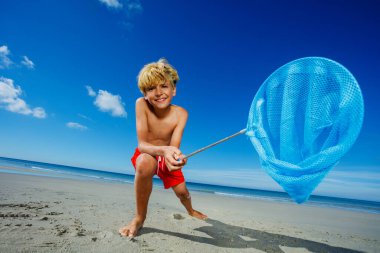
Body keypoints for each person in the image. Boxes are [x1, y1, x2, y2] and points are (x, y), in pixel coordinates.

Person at [119, 58, 207, 238]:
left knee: (183, 193)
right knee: (144, 162)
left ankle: (190, 209)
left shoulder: (181, 114)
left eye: (164, 86)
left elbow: (174, 146)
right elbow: (142, 145)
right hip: (148, 152)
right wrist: (163, 151)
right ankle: (139, 218)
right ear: (145, 93)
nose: (159, 93)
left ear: (173, 90)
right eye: (151, 88)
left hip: (167, 155)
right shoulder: (141, 104)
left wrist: (175, 156)